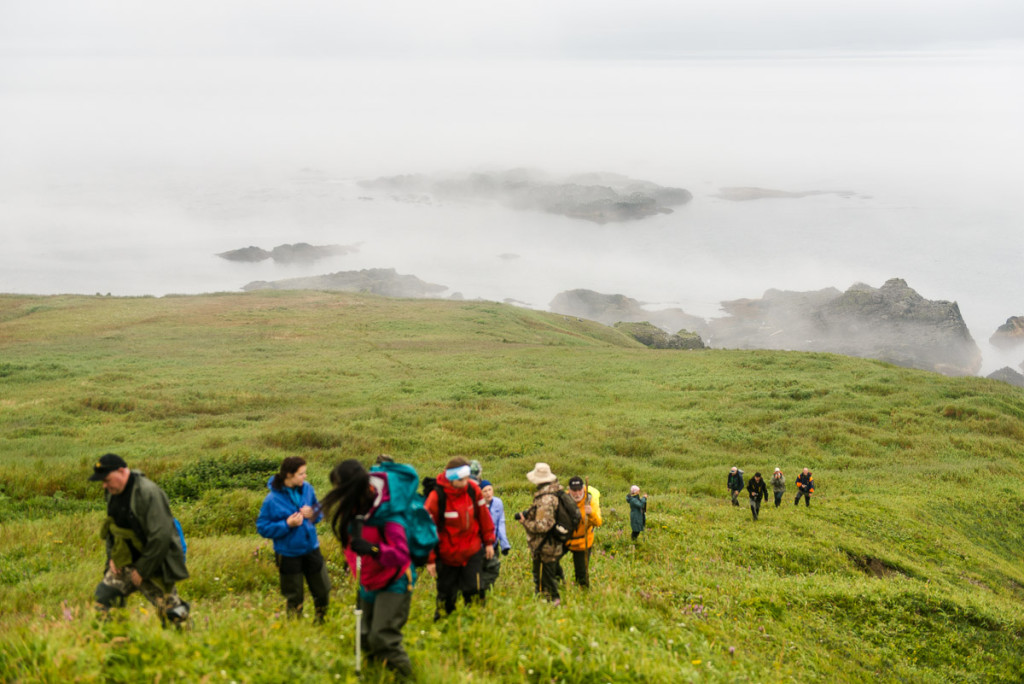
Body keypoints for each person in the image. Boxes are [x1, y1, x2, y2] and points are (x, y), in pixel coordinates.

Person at [320, 459, 415, 679]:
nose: (337, 493)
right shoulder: (353, 508)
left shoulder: (387, 512)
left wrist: (373, 550)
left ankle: (406, 678)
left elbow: (401, 555)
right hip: (368, 579)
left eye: (339, 487)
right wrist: (351, 561)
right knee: (363, 637)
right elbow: (352, 543)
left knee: (382, 637)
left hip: (395, 579)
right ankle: (375, 675)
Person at [90, 453, 190, 626]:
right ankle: (115, 642)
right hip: (124, 563)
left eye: (106, 480)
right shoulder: (112, 493)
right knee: (104, 600)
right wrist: (112, 558)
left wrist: (143, 569)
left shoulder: (148, 493)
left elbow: (161, 536)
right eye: (102, 482)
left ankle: (188, 643)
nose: (104, 486)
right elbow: (112, 529)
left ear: (121, 471)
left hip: (153, 563)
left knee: (173, 616)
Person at [256, 456, 330, 622]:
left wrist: (313, 513)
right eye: (301, 473)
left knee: (323, 590)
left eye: (305, 473)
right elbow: (262, 527)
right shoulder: (272, 500)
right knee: (294, 596)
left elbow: (319, 511)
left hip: (312, 548)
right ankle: (295, 628)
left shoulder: (308, 489)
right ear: (289, 475)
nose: (305, 476)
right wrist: (286, 524)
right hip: (288, 554)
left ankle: (321, 621)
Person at [424, 457, 496, 619]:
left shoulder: (472, 490)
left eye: (467, 478)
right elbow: (427, 529)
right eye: (462, 479)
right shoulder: (437, 497)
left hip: (472, 551)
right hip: (447, 555)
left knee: (475, 590)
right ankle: (443, 626)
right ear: (452, 478)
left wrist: (489, 542)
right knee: (446, 595)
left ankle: (476, 624)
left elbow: (484, 516)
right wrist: (430, 559)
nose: (466, 482)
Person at [514, 462, 566, 604]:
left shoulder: (546, 499)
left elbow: (543, 526)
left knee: (546, 579)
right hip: (551, 543)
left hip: (545, 545)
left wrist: (525, 522)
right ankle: (549, 601)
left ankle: (553, 603)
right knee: (548, 575)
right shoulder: (552, 494)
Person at [566, 476, 602, 588]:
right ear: (569, 489)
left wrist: (590, 513)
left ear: (583, 488)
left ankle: (583, 591)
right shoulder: (563, 499)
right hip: (564, 538)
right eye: (574, 490)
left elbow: (598, 522)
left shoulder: (590, 500)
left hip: (582, 540)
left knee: (581, 571)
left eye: (579, 490)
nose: (577, 493)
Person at [478, 479, 511, 592]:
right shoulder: (477, 505)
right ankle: (481, 590)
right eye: (485, 491)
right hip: (480, 545)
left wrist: (504, 544)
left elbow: (501, 523)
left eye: (490, 490)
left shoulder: (498, 503)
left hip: (494, 543)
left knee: (492, 568)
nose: (488, 493)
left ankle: (485, 590)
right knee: (481, 569)